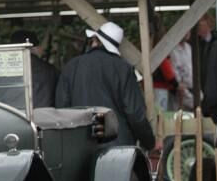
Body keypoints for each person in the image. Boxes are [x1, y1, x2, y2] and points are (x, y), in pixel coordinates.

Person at [56, 21, 153, 150]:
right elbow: (135, 113)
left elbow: (62, 108)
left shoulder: (71, 66)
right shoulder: (123, 69)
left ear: (95, 40)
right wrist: (149, 143)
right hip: (117, 147)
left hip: (79, 146)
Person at [4, 29, 58, 110]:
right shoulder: (50, 70)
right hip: (42, 118)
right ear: (35, 48)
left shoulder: (1, 69)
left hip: (10, 115)